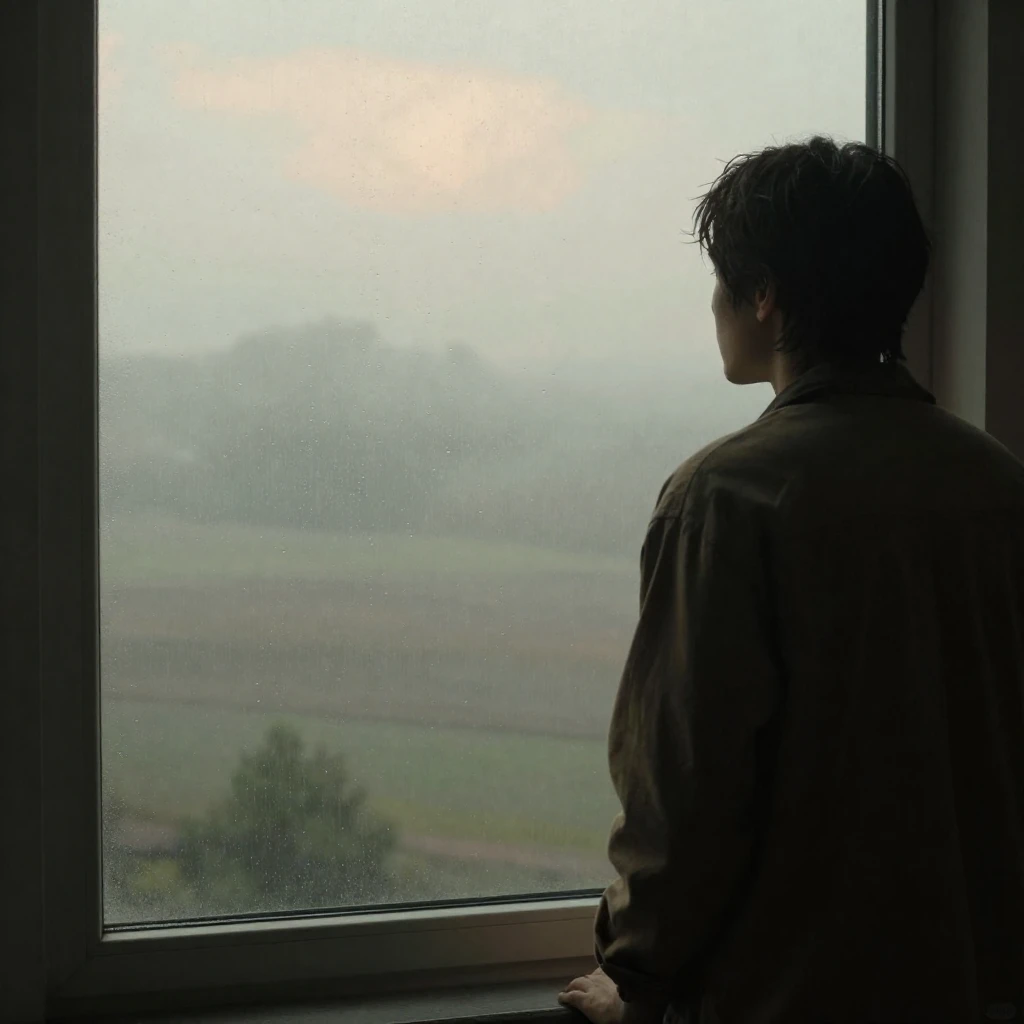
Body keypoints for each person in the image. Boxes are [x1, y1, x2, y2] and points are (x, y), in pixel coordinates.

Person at [557, 137, 1024, 1024]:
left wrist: (637, 977)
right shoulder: (999, 485)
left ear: (765, 295)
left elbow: (685, 790)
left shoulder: (728, 498)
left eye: (723, 278)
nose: (713, 303)